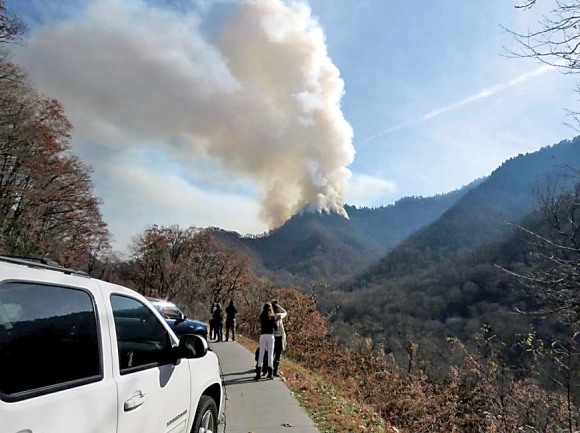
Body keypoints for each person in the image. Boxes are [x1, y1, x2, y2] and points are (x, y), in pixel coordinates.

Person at [254, 303, 277, 381]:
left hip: (263, 335)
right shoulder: (272, 317)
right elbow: (276, 328)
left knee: (261, 354)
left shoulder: (262, 316)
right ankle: (270, 373)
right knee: (270, 354)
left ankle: (258, 373)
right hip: (270, 335)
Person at [272, 300, 287, 377]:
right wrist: (278, 305)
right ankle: (275, 371)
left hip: (272, 337)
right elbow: (285, 312)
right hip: (280, 337)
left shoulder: (270, 316)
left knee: (272, 354)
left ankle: (268, 369)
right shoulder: (279, 316)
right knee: (277, 355)